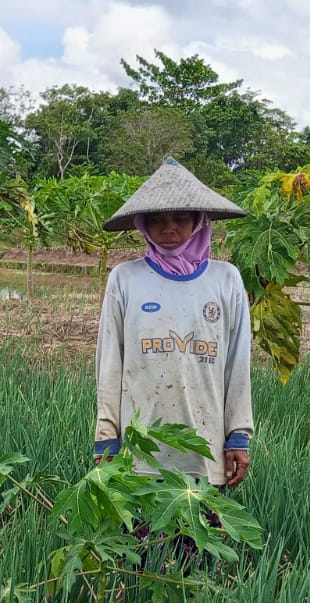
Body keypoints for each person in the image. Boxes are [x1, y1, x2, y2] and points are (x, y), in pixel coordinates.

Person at [93, 157, 253, 490]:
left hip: (204, 450)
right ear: (142, 224)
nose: (169, 229)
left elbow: (238, 363)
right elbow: (109, 362)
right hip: (140, 454)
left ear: (199, 220)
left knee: (199, 536)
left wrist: (238, 435)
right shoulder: (125, 279)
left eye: (180, 218)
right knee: (139, 541)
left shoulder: (226, 280)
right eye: (157, 220)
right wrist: (107, 434)